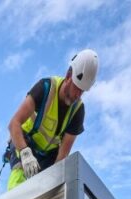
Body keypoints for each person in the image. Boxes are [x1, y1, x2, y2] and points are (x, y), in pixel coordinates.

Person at [6, 49, 99, 190]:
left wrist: (51, 180)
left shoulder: (78, 111)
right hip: (24, 144)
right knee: (19, 183)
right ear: (68, 76)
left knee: (47, 189)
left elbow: (63, 154)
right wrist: (25, 153)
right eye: (77, 88)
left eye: (82, 91)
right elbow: (14, 124)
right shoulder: (45, 88)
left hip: (48, 157)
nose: (78, 95)